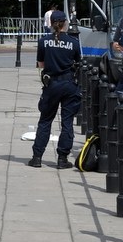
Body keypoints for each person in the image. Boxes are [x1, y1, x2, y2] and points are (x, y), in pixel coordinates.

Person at [28, 10, 82, 169]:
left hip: (51, 85)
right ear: (65, 23)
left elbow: (41, 64)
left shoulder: (43, 41)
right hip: (69, 84)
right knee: (67, 122)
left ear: (51, 23)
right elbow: (78, 62)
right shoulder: (74, 43)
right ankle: (62, 158)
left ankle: (37, 157)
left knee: (45, 120)